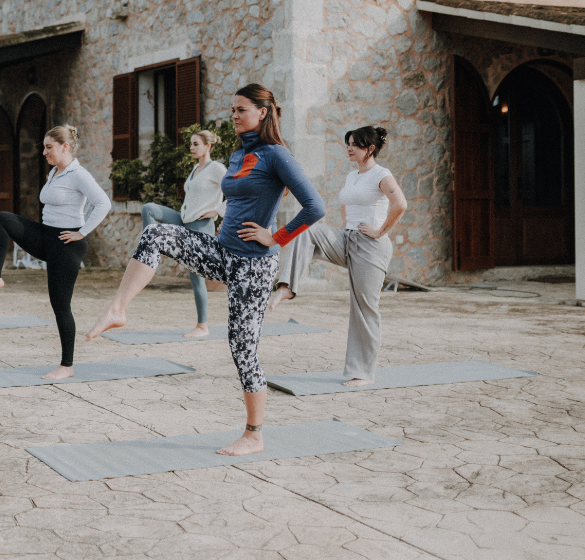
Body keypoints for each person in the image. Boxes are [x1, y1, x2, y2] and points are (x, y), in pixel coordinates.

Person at [85, 84, 325, 456]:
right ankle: (118, 309)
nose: (234, 115)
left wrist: (275, 237)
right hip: (220, 250)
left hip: (253, 264)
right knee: (155, 234)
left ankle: (254, 435)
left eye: (241, 110)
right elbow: (237, 198)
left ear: (262, 112)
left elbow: (315, 207)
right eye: (232, 109)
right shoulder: (236, 155)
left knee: (242, 348)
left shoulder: (277, 155)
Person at [268, 125, 407, 386]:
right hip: (348, 239)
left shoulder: (381, 174)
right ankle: (287, 287)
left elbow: (401, 204)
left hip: (371, 246)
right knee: (309, 232)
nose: (350, 148)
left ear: (371, 149)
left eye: (355, 144)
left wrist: (380, 231)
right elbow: (345, 205)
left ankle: (363, 373)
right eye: (349, 143)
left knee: (364, 307)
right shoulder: (352, 176)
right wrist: (346, 229)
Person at [0, 125, 111, 380]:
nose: (44, 152)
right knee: (3, 218)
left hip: (66, 243)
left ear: (65, 147)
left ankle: (67, 366)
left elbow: (104, 203)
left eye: (49, 147)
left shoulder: (78, 174)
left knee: (60, 306)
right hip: (46, 236)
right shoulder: (54, 173)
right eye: (43, 147)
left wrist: (82, 232)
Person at [140, 130, 226, 338]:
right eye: (191, 144)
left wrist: (218, 212)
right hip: (184, 220)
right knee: (149, 209)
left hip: (201, 226)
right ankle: (152, 253)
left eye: (195, 144)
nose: (191, 147)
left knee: (196, 277)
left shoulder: (216, 168)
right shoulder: (196, 168)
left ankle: (202, 326)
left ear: (207, 146)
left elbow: (237, 192)